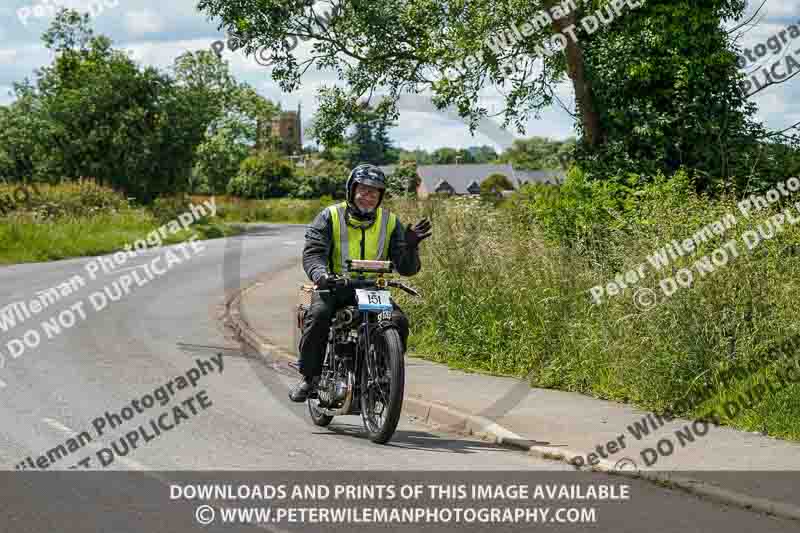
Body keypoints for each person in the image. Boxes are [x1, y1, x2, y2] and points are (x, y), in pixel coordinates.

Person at [289, 163, 432, 402]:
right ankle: (309, 378)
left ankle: (382, 376)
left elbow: (407, 269)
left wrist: (410, 247)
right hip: (335, 288)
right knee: (319, 315)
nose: (368, 197)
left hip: (372, 291)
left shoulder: (390, 222)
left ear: (380, 196)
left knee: (397, 320)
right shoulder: (330, 216)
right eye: (364, 191)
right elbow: (313, 254)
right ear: (351, 190)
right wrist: (321, 275)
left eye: (374, 192)